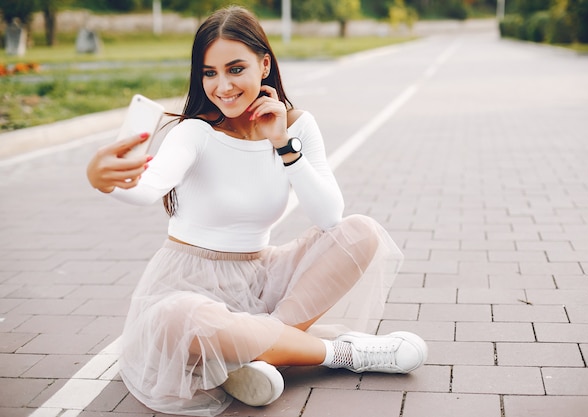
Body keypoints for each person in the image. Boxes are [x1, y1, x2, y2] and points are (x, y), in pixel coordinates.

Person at [86, 6, 427, 417]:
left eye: (235, 69)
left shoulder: (297, 125)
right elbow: (148, 187)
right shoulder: (195, 132)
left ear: (264, 65)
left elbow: (329, 217)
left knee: (361, 232)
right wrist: (102, 179)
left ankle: (254, 356)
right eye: (209, 73)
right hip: (190, 284)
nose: (222, 86)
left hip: (261, 276)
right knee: (179, 316)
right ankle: (339, 353)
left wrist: (282, 143)